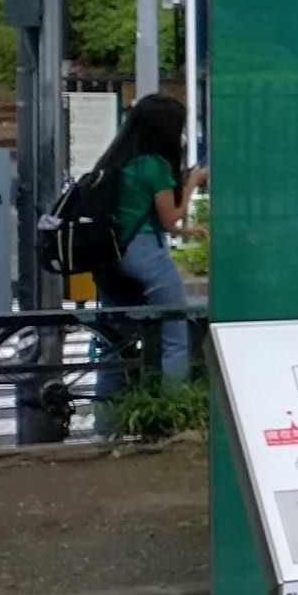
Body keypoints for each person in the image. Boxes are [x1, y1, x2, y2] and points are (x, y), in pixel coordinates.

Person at [101, 93, 203, 383]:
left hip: (112, 254)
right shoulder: (155, 166)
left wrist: (184, 231)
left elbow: (139, 213)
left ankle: (107, 406)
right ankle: (173, 405)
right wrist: (192, 184)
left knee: (115, 341)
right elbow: (170, 218)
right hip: (147, 256)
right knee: (175, 335)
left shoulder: (119, 161)